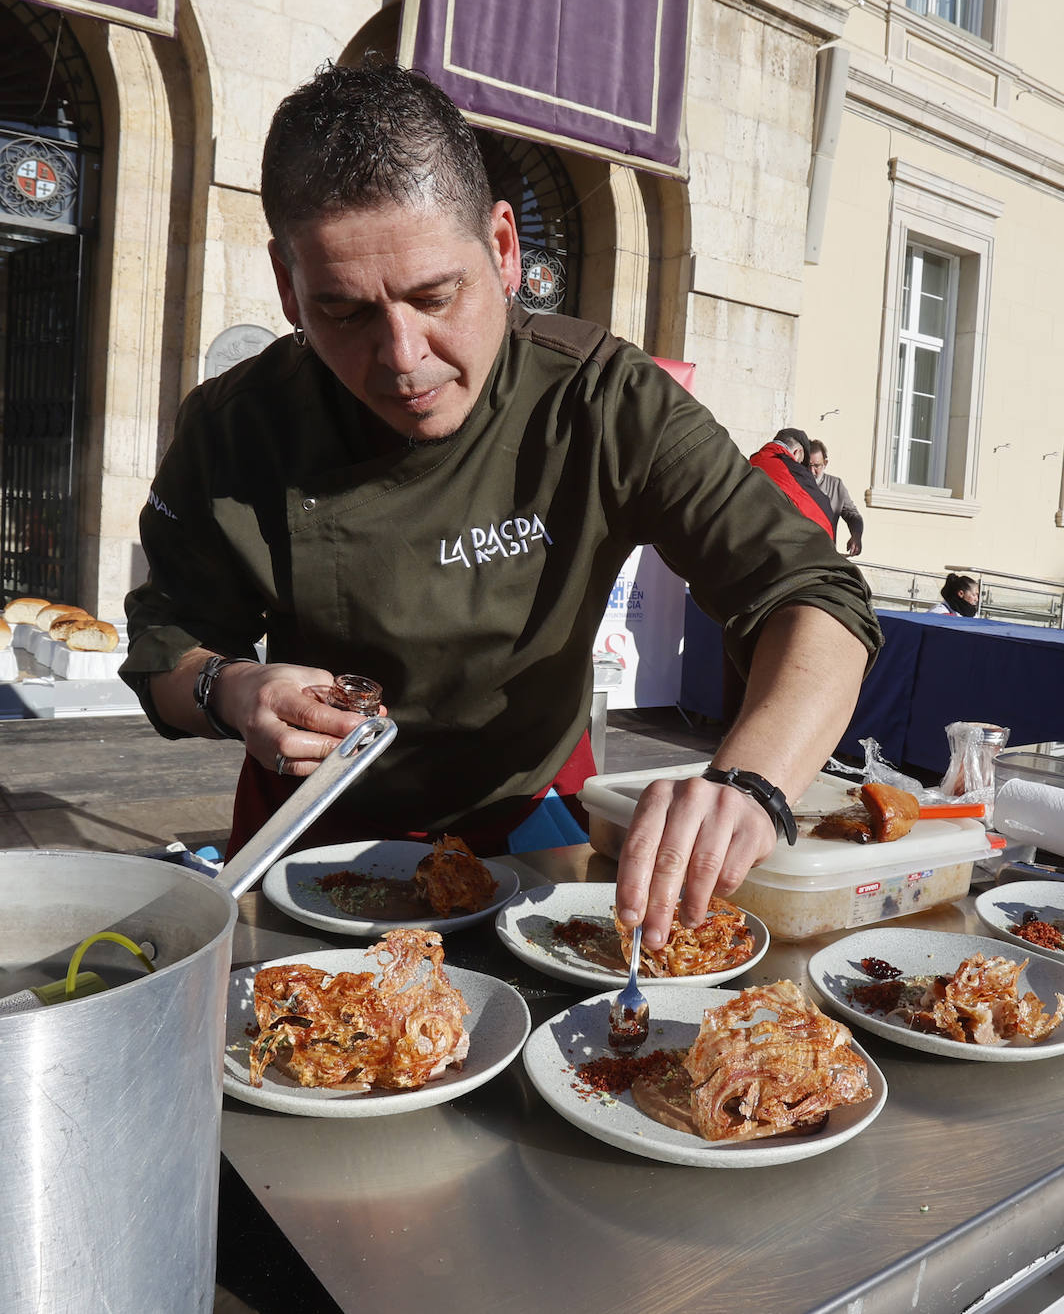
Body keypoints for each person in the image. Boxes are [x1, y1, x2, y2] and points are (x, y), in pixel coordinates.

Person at [119, 60, 881, 951]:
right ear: (290, 292)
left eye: (437, 297)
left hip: (532, 827)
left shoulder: (601, 400)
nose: (404, 357)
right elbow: (164, 650)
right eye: (344, 313)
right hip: (309, 836)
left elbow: (815, 595)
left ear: (506, 249)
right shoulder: (234, 428)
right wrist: (230, 685)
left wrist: (752, 783)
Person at [748, 428, 834, 537]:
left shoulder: (751, 461)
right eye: (801, 462)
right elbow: (822, 519)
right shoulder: (792, 470)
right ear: (797, 452)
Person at [808, 439, 863, 557]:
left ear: (825, 463)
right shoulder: (795, 483)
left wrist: (856, 535)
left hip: (826, 554)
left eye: (817, 466)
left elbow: (852, 514)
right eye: (808, 465)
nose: (812, 471)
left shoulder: (836, 485)